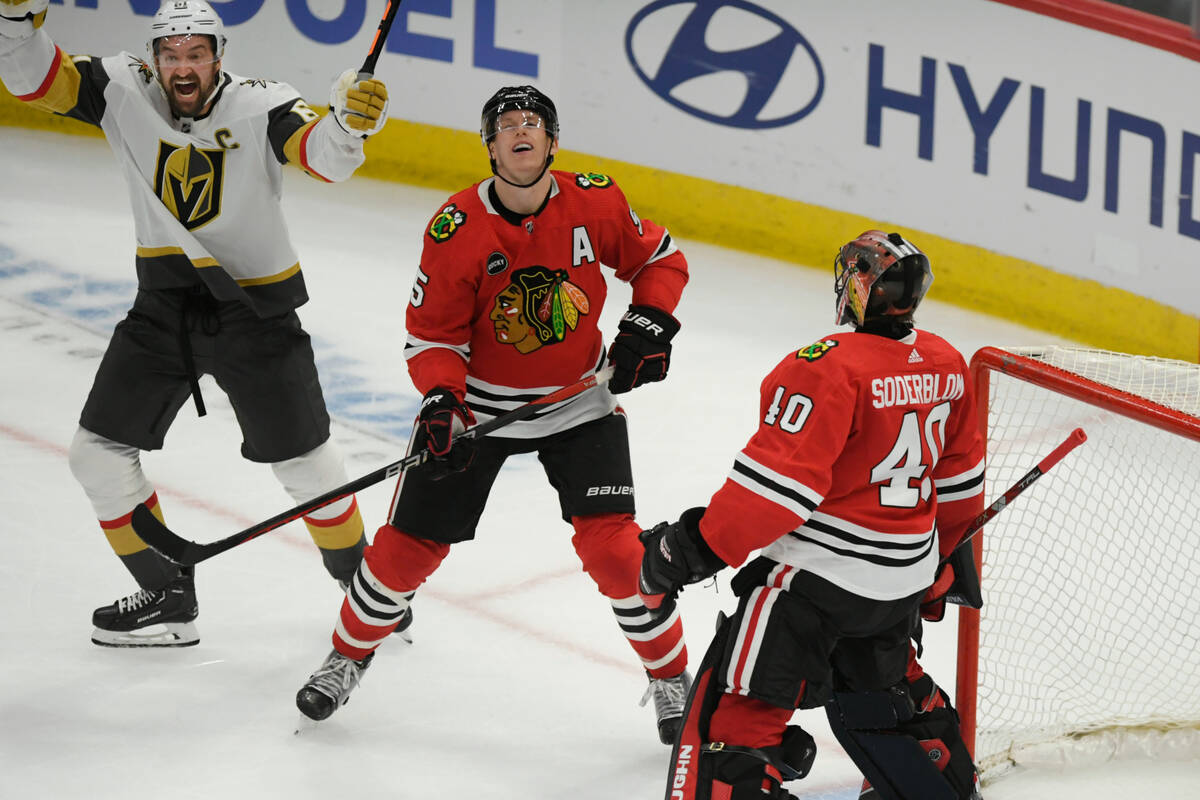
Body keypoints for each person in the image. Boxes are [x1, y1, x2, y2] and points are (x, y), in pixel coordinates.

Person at [294, 84, 694, 744]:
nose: (519, 131)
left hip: (578, 402)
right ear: (490, 147)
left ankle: (672, 677)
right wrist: (440, 400)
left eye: (532, 122)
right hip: (479, 410)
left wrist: (647, 326)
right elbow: (432, 336)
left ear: (553, 141)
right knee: (405, 551)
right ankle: (346, 657)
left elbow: (659, 257)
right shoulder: (457, 228)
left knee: (619, 557)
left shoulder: (595, 201)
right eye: (506, 124)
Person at [0, 0, 393, 647]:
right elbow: (34, 82)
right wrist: (16, 23)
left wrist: (349, 123)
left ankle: (367, 591)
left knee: (310, 470)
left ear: (219, 55)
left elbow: (325, 156)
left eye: (197, 54)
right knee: (95, 457)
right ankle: (167, 593)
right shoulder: (123, 88)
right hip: (165, 309)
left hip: (257, 312)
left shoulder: (261, 104)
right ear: (155, 60)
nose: (184, 68)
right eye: (172, 54)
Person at [637, 230, 986, 799]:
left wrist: (689, 548)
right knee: (884, 692)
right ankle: (943, 783)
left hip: (814, 583)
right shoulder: (946, 360)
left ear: (857, 288)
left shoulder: (825, 367)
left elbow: (774, 494)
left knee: (731, 718)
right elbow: (959, 483)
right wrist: (943, 564)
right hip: (900, 582)